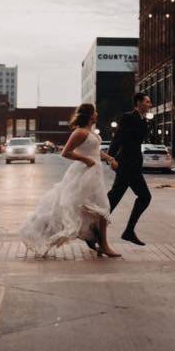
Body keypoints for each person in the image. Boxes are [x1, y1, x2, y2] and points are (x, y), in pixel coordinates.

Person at [20, 103, 121, 258]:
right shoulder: (79, 132)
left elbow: (95, 151)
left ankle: (95, 239)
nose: (97, 114)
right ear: (89, 115)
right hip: (83, 174)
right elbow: (66, 152)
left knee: (96, 209)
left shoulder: (90, 132)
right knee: (100, 208)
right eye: (95, 112)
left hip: (95, 174)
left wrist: (109, 158)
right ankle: (103, 245)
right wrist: (85, 160)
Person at [106, 92, 153, 246]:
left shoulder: (143, 120)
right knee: (142, 197)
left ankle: (96, 231)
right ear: (138, 103)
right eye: (147, 102)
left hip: (132, 165)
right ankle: (95, 230)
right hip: (126, 164)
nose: (150, 104)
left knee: (113, 198)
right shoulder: (128, 117)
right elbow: (118, 137)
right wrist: (110, 157)